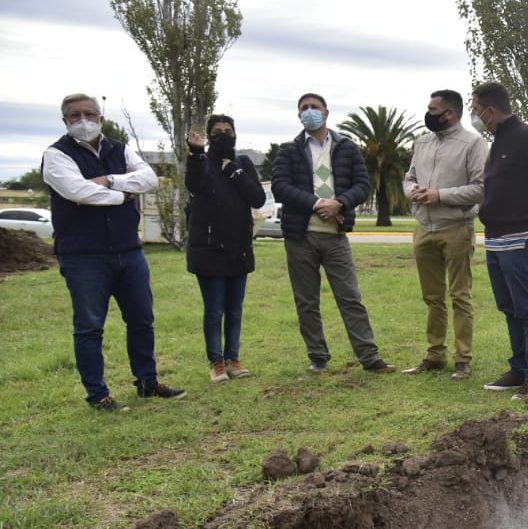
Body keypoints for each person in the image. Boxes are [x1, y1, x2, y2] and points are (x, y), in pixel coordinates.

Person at [41, 93, 185, 410]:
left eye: (89, 114)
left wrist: (108, 180)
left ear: (100, 117)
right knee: (90, 326)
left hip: (128, 251)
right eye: (75, 115)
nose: (83, 120)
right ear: (65, 121)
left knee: (142, 319)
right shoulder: (56, 155)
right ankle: (98, 395)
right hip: (83, 255)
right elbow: (78, 191)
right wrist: (122, 195)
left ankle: (147, 382)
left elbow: (148, 179)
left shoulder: (119, 149)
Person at [271, 92, 394, 374]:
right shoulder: (288, 150)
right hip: (300, 237)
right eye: (304, 108)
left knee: (350, 297)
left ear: (327, 113)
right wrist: (317, 204)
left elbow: (362, 185)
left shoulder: (347, 148)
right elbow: (280, 187)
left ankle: (370, 357)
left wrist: (340, 203)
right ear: (298, 115)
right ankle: (318, 357)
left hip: (336, 236)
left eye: (315, 107)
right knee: (307, 301)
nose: (309, 111)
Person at [469, 82, 528, 399]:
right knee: (509, 309)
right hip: (496, 242)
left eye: (475, 108)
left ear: (489, 111)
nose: (474, 115)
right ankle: (519, 370)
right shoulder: (498, 141)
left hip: (520, 241)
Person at [401, 89, 487, 380]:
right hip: (424, 229)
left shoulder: (474, 144)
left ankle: (463, 359)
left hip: (456, 228)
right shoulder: (422, 142)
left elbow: (480, 188)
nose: (428, 115)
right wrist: (412, 191)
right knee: (432, 296)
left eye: (432, 110)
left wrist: (440, 195)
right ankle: (434, 355)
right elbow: (410, 176)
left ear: (449, 113)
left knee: (460, 295)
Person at [184, 115, 266, 383]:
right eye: (217, 131)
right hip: (208, 250)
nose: (223, 135)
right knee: (214, 309)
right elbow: (194, 185)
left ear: (235, 134)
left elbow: (257, 197)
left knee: (235, 310)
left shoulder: (242, 164)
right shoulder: (201, 163)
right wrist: (196, 153)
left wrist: (235, 172)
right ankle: (216, 362)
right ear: (209, 135)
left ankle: (233, 359)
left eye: (228, 131)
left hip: (238, 249)